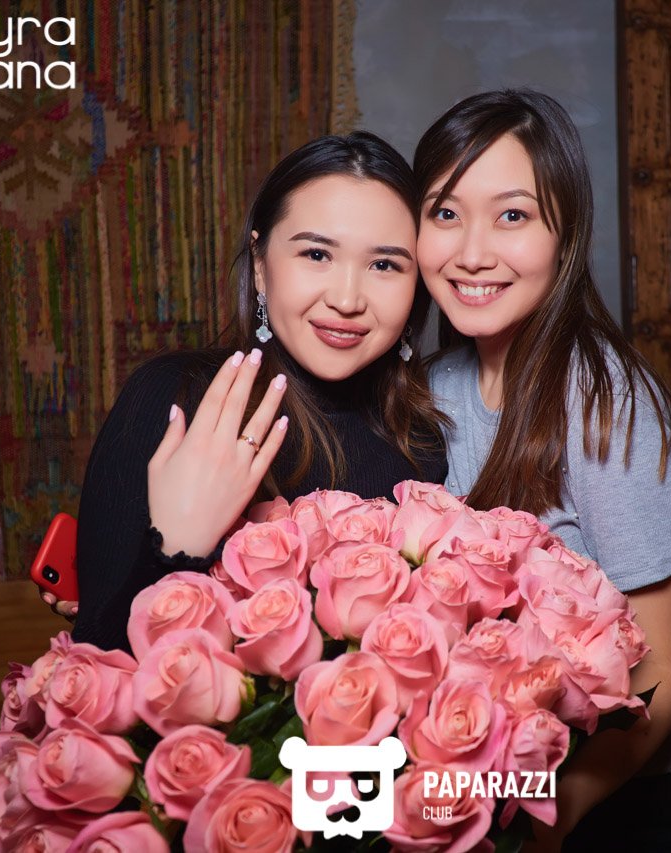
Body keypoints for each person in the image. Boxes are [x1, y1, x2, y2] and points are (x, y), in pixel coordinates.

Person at [415, 90, 671, 850]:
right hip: (524, 777)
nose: (472, 252)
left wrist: (550, 815)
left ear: (565, 233)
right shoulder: (431, 389)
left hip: (657, 795)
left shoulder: (605, 402)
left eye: (512, 215)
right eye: (445, 212)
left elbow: (662, 675)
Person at [46, 131, 447, 652]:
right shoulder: (174, 398)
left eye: (384, 265)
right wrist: (178, 546)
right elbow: (95, 660)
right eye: (316, 254)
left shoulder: (424, 442)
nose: (347, 299)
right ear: (260, 265)